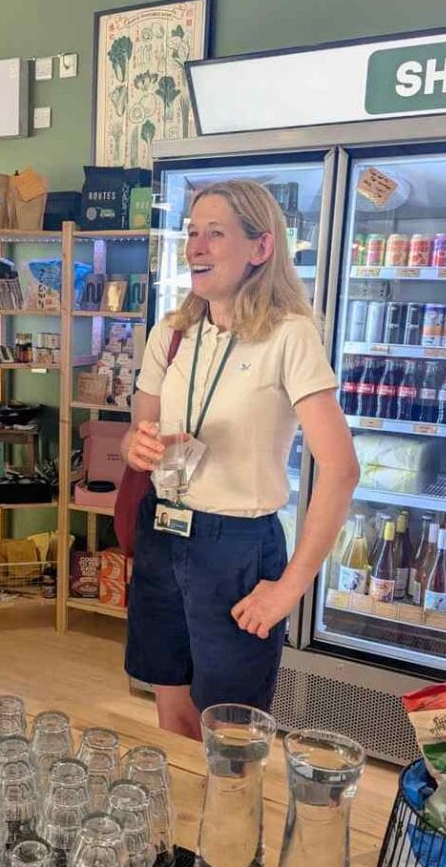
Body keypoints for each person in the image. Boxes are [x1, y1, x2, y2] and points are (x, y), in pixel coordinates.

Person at [122, 179, 359, 741]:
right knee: (172, 714)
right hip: (162, 529)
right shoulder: (172, 334)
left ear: (260, 248)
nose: (195, 248)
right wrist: (138, 446)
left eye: (215, 234)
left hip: (237, 549)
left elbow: (341, 468)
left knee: (232, 734)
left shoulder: (289, 337)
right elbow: (141, 429)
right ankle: (181, 827)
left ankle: (225, 829)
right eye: (191, 233)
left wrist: (290, 587)